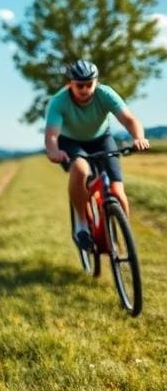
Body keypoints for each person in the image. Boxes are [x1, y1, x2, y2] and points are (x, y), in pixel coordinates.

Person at [44, 59, 150, 251]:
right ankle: (82, 225)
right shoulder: (59, 102)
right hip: (70, 142)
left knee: (117, 192)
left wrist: (138, 138)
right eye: (79, 85)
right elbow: (52, 135)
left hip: (101, 138)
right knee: (81, 170)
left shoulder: (105, 94)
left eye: (89, 84)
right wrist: (53, 151)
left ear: (96, 82)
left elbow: (129, 119)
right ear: (70, 84)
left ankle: (125, 240)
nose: (85, 89)